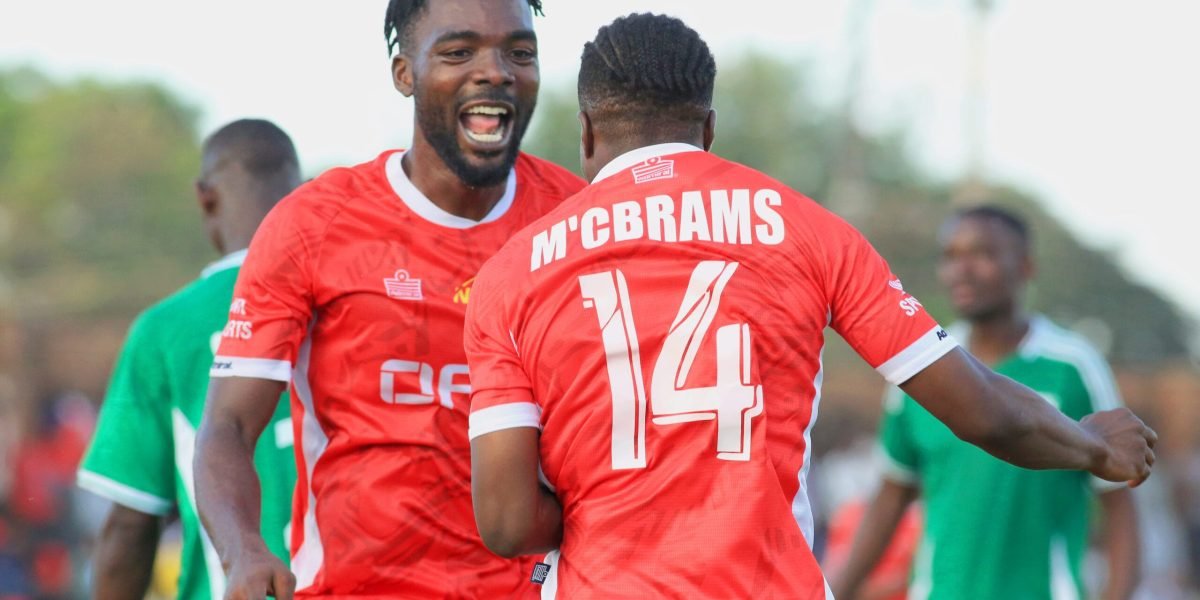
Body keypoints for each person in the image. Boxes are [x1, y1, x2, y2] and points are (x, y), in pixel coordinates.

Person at [463, 13, 1157, 599]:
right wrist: (1093, 442)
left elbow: (503, 520)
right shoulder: (802, 227)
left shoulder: (510, 273)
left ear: (585, 133)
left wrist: (605, 513)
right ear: (706, 128)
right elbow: (980, 411)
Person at [194, 1, 584, 598]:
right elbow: (226, 424)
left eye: (519, 52)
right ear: (404, 73)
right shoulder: (312, 225)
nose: (496, 71)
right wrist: (243, 551)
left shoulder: (579, 221)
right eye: (459, 52)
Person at [830, 206, 1141, 600]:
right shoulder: (920, 365)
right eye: (951, 256)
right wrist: (835, 592)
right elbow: (892, 494)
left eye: (983, 254)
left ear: (1026, 266)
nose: (962, 270)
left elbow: (1119, 508)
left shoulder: (1072, 366)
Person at [77, 119, 300, 600]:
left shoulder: (166, 330)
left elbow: (130, 525)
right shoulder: (361, 301)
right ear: (299, 192)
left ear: (206, 198)